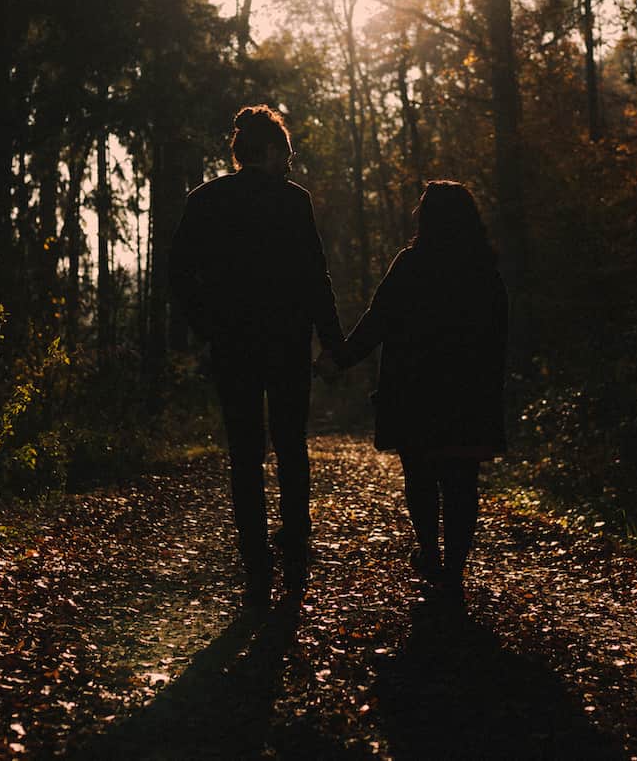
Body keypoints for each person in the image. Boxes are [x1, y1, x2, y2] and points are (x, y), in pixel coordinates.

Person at [170, 105, 343, 607]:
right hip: (287, 342)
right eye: (287, 152)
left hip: (233, 345)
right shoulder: (293, 201)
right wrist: (332, 343)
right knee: (290, 443)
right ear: (269, 151)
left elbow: (178, 273)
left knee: (244, 452)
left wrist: (206, 327)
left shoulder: (206, 199)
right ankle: (295, 542)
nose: (290, 161)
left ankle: (255, 557)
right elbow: (315, 277)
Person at [334, 181, 508, 604]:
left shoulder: (411, 264)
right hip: (467, 393)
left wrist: (339, 360)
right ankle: (454, 570)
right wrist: (492, 385)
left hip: (414, 392)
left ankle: (430, 551)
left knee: (421, 477)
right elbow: (499, 332)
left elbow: (378, 319)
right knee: (462, 482)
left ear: (426, 218)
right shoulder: (483, 267)